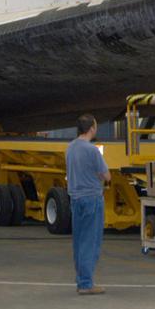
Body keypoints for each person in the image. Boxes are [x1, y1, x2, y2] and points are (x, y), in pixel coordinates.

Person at [65, 114, 110, 296]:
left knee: (79, 241)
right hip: (91, 198)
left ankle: (81, 278)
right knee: (90, 242)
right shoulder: (92, 151)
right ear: (92, 128)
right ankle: (86, 283)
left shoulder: (70, 148)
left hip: (75, 198)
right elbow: (106, 175)